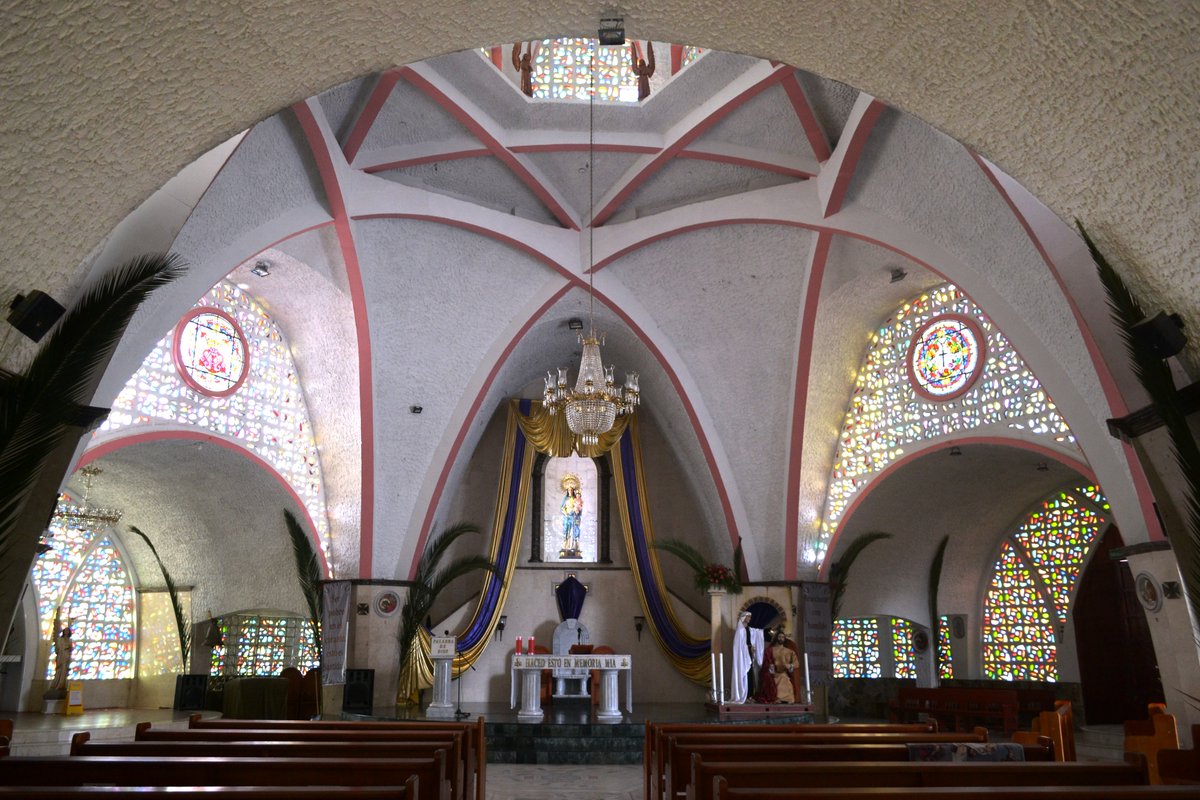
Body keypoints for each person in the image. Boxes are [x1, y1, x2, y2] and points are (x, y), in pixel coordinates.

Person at [756, 627, 798, 704]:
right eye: (779, 637)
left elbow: (795, 663)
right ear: (776, 638)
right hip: (773, 673)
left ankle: (787, 699)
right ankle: (777, 698)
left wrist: (790, 666)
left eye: (782, 637)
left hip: (784, 673)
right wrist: (770, 667)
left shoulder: (789, 651)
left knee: (785, 678)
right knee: (779, 679)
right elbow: (766, 662)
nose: (781, 639)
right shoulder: (770, 650)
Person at [729, 611, 754, 703]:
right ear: (744, 617)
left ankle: (748, 695)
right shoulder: (740, 630)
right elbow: (738, 645)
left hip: (746, 654)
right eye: (748, 617)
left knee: (749, 674)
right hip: (742, 655)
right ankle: (742, 695)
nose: (750, 618)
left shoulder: (746, 629)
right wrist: (748, 647)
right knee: (743, 673)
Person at [560, 475, 583, 554]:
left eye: (571, 490)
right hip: (567, 517)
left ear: (573, 491)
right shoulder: (565, 499)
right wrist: (566, 513)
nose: (570, 491)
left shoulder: (575, 499)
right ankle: (566, 546)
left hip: (573, 517)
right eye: (568, 490)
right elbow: (562, 508)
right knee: (566, 531)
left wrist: (576, 511)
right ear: (567, 491)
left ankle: (573, 546)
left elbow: (579, 508)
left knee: (573, 531)